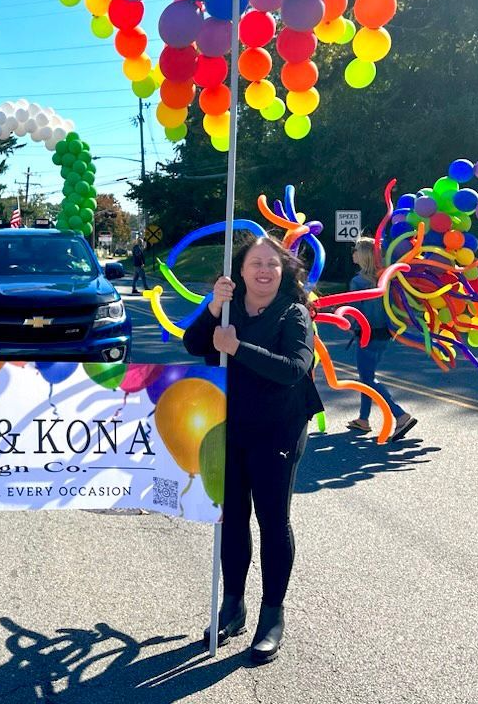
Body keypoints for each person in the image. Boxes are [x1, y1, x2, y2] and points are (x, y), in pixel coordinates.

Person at [183, 235, 323, 664]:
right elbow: (193, 344)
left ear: (284, 272)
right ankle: (233, 605)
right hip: (230, 426)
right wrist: (212, 308)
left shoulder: (293, 313)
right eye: (255, 263)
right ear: (239, 270)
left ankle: (272, 615)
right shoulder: (227, 308)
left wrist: (238, 347)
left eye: (272, 264)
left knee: (272, 519)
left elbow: (294, 369)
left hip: (278, 428)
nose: (264, 270)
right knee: (232, 518)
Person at [344, 237, 417, 441]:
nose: (353, 253)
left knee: (367, 379)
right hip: (384, 333)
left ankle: (400, 415)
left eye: (356, 249)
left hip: (367, 335)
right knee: (366, 376)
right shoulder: (383, 277)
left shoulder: (358, 281)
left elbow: (354, 311)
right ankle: (363, 419)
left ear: (365, 255)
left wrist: (343, 319)